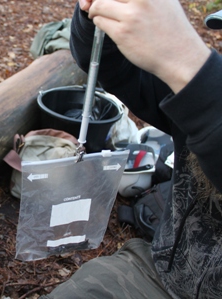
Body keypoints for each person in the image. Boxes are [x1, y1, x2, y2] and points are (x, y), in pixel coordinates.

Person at [41, 0, 222, 298]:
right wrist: (100, 18)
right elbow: (121, 72)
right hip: (162, 270)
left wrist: (187, 62)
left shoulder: (205, 85)